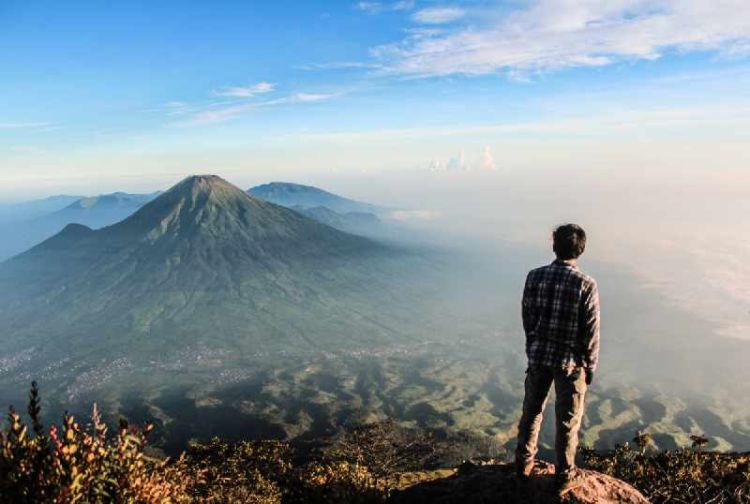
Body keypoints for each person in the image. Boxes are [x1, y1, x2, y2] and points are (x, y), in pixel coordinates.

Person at [515, 223, 601, 495]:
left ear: (554, 246)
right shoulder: (585, 285)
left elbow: (527, 318)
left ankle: (523, 465)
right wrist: (590, 366)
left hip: (539, 357)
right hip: (570, 363)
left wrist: (534, 345)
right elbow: (591, 331)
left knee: (531, 413)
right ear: (581, 249)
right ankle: (564, 474)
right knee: (567, 421)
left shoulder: (534, 277)